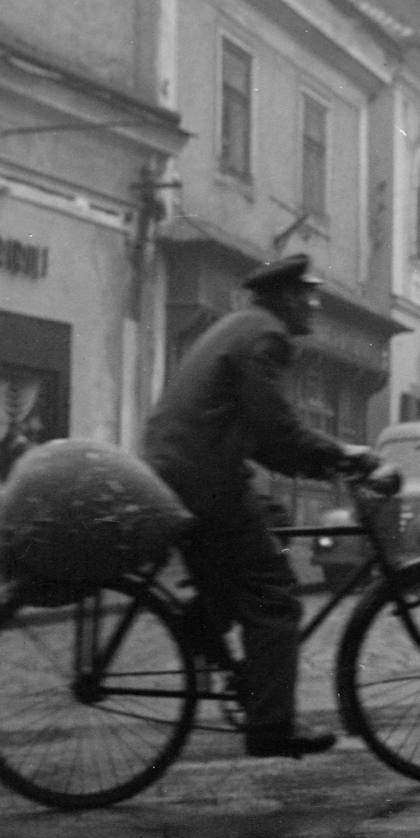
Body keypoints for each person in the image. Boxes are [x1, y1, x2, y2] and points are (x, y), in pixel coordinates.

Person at [143, 254, 379, 758]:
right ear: (289, 298)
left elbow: (259, 436)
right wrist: (343, 456)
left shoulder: (239, 326)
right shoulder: (265, 338)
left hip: (182, 467)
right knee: (274, 597)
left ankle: (201, 628)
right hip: (203, 476)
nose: (314, 308)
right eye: (310, 297)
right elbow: (275, 430)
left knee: (259, 538)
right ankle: (271, 726)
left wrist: (322, 460)